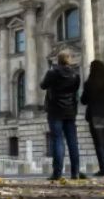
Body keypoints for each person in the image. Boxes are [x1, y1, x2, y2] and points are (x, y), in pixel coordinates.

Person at [40, 50, 85, 180]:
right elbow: (75, 90)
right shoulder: (75, 75)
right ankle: (75, 173)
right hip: (70, 111)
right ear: (69, 60)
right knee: (72, 141)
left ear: (58, 60)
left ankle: (57, 173)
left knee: (58, 140)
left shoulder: (52, 72)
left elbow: (43, 86)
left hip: (55, 111)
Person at [80, 60, 104, 177]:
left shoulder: (90, 83)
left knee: (99, 143)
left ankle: (103, 170)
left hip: (94, 115)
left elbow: (83, 100)